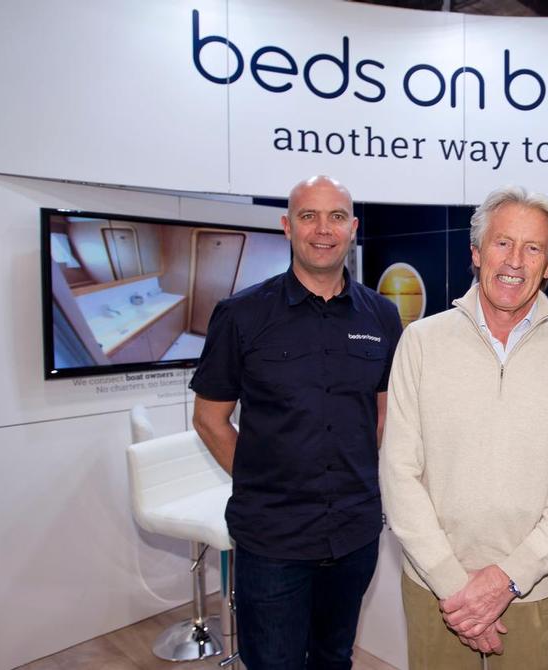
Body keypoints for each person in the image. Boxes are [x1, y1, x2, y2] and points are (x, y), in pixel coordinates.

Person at [379, 186, 548, 670]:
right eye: (503, 243)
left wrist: (508, 577)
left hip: (536, 591)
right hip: (436, 590)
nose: (515, 261)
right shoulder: (421, 343)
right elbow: (399, 473)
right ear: (476, 253)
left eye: (533, 249)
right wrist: (454, 586)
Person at [189, 175, 402, 670]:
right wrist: (264, 479)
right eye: (308, 216)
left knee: (333, 658)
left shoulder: (382, 316)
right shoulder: (241, 315)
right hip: (272, 540)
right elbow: (209, 418)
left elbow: (382, 409)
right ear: (287, 226)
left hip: (353, 532)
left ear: (353, 228)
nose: (322, 229)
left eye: (335, 217)